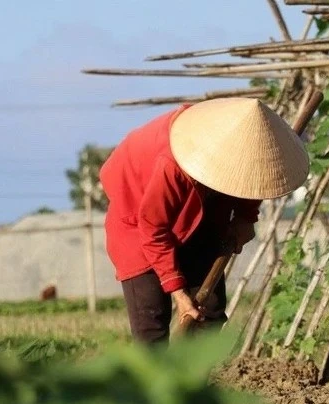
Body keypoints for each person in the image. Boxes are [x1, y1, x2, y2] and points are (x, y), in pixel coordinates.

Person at [99, 97, 309, 344]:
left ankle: (191, 379)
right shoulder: (174, 163)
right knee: (151, 323)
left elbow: (253, 180)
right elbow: (153, 229)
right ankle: (153, 381)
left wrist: (245, 217)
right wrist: (178, 293)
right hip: (138, 224)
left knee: (210, 312)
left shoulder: (242, 158)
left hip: (201, 212)